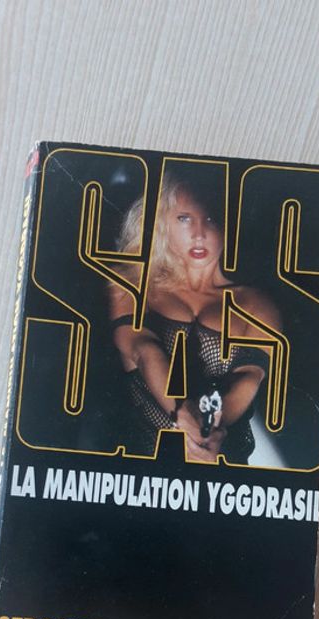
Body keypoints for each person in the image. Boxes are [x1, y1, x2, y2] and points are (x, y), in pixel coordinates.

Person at [109, 172, 281, 463]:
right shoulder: (130, 284)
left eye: (211, 219)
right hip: (141, 470)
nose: (199, 233)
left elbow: (250, 376)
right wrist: (180, 410)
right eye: (185, 218)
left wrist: (209, 432)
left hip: (222, 468)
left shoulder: (256, 303)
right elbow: (143, 349)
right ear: (162, 222)